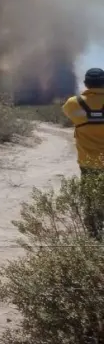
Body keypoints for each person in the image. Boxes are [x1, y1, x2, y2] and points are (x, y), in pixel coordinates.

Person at [61, 67, 104, 238]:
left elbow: (69, 114)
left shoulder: (73, 103)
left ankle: (94, 236)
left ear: (85, 83)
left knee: (91, 198)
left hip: (88, 161)